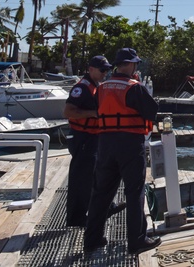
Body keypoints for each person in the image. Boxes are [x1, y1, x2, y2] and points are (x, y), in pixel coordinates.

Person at [83, 48, 161, 256]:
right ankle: (137, 241)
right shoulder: (134, 87)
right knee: (134, 192)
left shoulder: (102, 87)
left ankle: (92, 240)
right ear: (132, 65)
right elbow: (151, 112)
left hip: (106, 143)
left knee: (101, 193)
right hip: (129, 143)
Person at [63, 55, 127, 227]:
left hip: (94, 137)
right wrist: (93, 114)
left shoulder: (95, 86)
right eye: (102, 70)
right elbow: (68, 111)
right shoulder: (82, 88)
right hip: (83, 138)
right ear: (91, 69)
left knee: (96, 175)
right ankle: (77, 217)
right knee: (81, 178)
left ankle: (104, 208)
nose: (105, 73)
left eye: (107, 70)